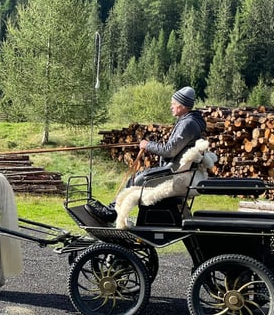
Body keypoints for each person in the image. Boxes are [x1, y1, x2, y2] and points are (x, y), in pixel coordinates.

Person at [85, 85, 207, 223]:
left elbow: (169, 150)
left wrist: (148, 144)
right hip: (177, 170)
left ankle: (112, 212)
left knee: (136, 179)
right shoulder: (190, 121)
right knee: (136, 178)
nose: (170, 107)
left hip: (174, 172)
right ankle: (113, 209)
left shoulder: (188, 124)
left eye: (173, 104)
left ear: (183, 105)